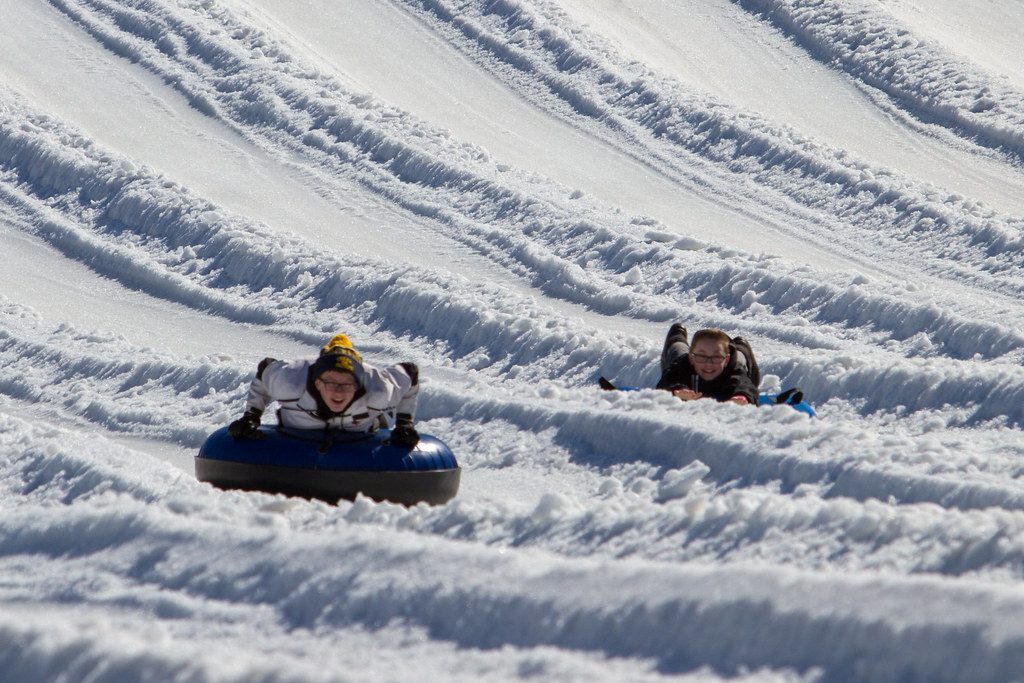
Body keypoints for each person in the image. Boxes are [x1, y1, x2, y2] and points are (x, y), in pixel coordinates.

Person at [227, 334, 421, 446]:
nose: (338, 392)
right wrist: (252, 415)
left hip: (361, 435)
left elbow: (410, 372)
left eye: (347, 385)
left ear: (358, 385)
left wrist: (405, 424)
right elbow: (265, 368)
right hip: (297, 437)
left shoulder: (378, 390)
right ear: (317, 383)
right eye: (331, 383)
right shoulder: (291, 382)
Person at [655, 324, 759, 405]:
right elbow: (667, 380)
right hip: (683, 359)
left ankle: (741, 345)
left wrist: (741, 396)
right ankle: (677, 334)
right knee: (677, 349)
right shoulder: (683, 364)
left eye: (716, 357)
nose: (708, 363)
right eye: (702, 356)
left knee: (739, 357)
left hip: (732, 362)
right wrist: (679, 390)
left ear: (726, 360)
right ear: (691, 358)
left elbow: (744, 385)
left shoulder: (733, 369)